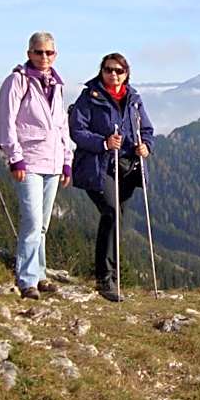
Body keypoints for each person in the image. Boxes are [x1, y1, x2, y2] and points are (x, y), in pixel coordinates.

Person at [70, 52, 154, 302]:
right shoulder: (89, 97)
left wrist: (146, 146)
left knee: (117, 217)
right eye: (108, 70)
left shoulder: (134, 99)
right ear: (101, 71)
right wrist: (103, 143)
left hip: (127, 166)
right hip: (99, 165)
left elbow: (147, 130)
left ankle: (113, 278)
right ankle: (105, 278)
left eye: (118, 70)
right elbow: (76, 130)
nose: (113, 74)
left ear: (126, 73)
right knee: (111, 213)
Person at [0, 32, 72, 300]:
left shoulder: (57, 85)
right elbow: (6, 122)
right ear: (29, 53)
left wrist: (66, 160)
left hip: (52, 161)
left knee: (43, 225)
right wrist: (15, 157)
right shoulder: (17, 81)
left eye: (49, 53)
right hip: (28, 161)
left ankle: (39, 274)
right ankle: (26, 279)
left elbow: (61, 124)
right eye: (39, 52)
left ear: (56, 54)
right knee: (31, 221)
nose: (44, 57)